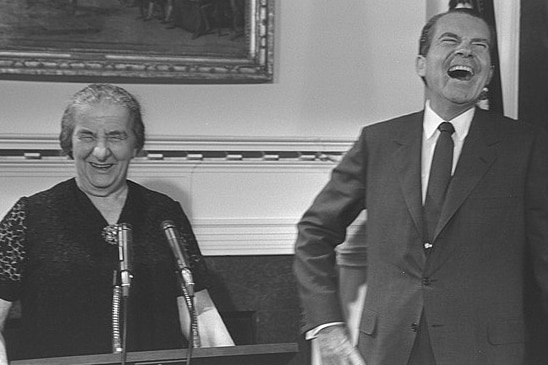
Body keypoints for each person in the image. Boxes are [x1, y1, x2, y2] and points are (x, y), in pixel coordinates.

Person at [294, 8, 548, 365]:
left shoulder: (526, 145)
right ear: (421, 64)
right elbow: (314, 232)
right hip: (389, 349)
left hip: (486, 352)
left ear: (488, 72)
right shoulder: (378, 142)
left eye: (480, 45)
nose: (466, 51)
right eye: (450, 40)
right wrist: (327, 324)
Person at [0, 83, 234, 363]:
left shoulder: (163, 213)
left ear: (135, 144)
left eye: (115, 136)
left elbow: (200, 313)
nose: (101, 151)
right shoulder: (30, 215)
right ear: (68, 143)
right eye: (87, 136)